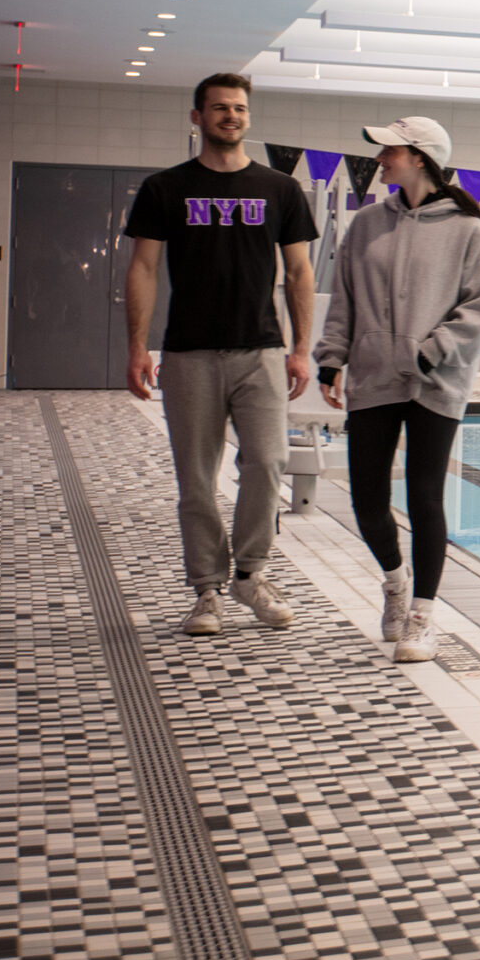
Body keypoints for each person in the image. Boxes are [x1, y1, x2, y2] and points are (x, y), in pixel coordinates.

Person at [124, 73, 319, 635]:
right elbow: (143, 267)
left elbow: (299, 271)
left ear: (248, 118)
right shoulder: (165, 189)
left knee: (266, 461)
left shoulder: (280, 189)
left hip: (260, 350)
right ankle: (206, 589)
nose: (230, 116)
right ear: (197, 117)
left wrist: (301, 347)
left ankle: (250, 575)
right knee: (196, 476)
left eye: (238, 108)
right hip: (188, 353)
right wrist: (138, 346)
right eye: (218, 108)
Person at [316, 116, 480, 663]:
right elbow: (344, 298)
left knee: (424, 497)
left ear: (419, 157)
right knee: (367, 501)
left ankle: (422, 615)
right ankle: (395, 582)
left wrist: (432, 349)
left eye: (388, 149)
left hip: (434, 381)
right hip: (373, 375)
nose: (379, 157)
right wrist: (331, 360)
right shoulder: (368, 223)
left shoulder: (468, 230)